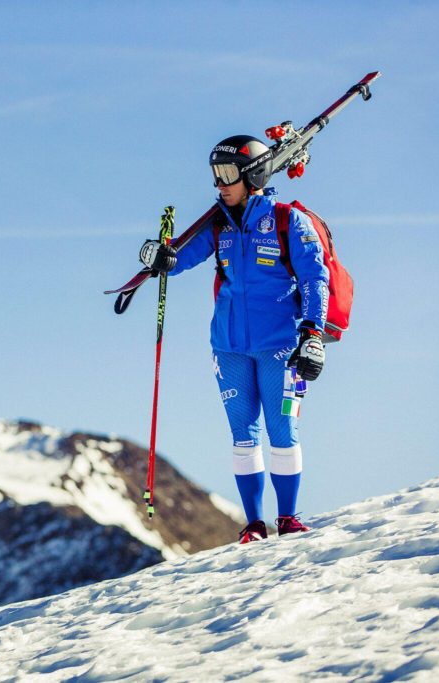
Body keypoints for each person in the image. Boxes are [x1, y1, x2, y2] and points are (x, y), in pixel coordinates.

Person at [140, 135, 329, 544]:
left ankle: (288, 518)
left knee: (282, 431)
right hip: (228, 347)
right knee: (243, 435)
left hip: (280, 345)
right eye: (215, 175)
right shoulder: (217, 223)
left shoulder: (286, 220)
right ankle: (254, 525)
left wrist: (312, 333)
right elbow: (182, 258)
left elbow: (316, 278)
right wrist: (162, 258)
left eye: (227, 174)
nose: (219, 184)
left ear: (253, 175)